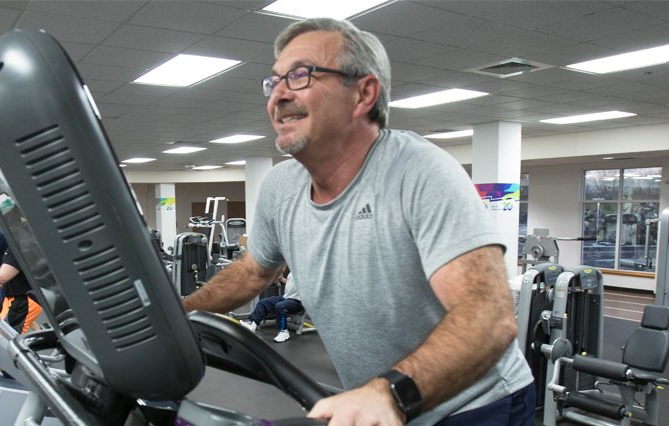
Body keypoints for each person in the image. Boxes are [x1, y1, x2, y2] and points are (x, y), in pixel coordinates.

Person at [182, 18, 533, 426]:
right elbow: (253, 270)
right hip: (381, 402)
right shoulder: (282, 186)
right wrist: (177, 313)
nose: (278, 94)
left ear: (363, 93)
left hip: (470, 405)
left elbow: (490, 317)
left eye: (300, 76)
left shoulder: (419, 172)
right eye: (274, 80)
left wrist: (390, 392)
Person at [240, 272, 303, 343]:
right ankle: (253, 326)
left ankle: (284, 332)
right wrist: (281, 279)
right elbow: (290, 283)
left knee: (280, 306)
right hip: (286, 297)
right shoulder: (293, 271)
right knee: (263, 302)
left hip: (297, 301)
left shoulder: (305, 272)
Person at [0, 245, 42, 333]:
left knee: (6, 334)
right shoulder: (12, 248)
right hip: (12, 298)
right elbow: (4, 280)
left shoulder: (21, 248)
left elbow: (2, 277)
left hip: (24, 300)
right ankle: (40, 332)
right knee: (2, 330)